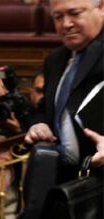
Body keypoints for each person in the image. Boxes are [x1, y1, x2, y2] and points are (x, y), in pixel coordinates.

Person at [25, 0, 104, 180]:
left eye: (75, 13)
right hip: (66, 179)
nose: (66, 24)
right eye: (58, 17)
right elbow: (44, 110)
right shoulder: (55, 60)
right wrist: (39, 125)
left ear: (101, 8)